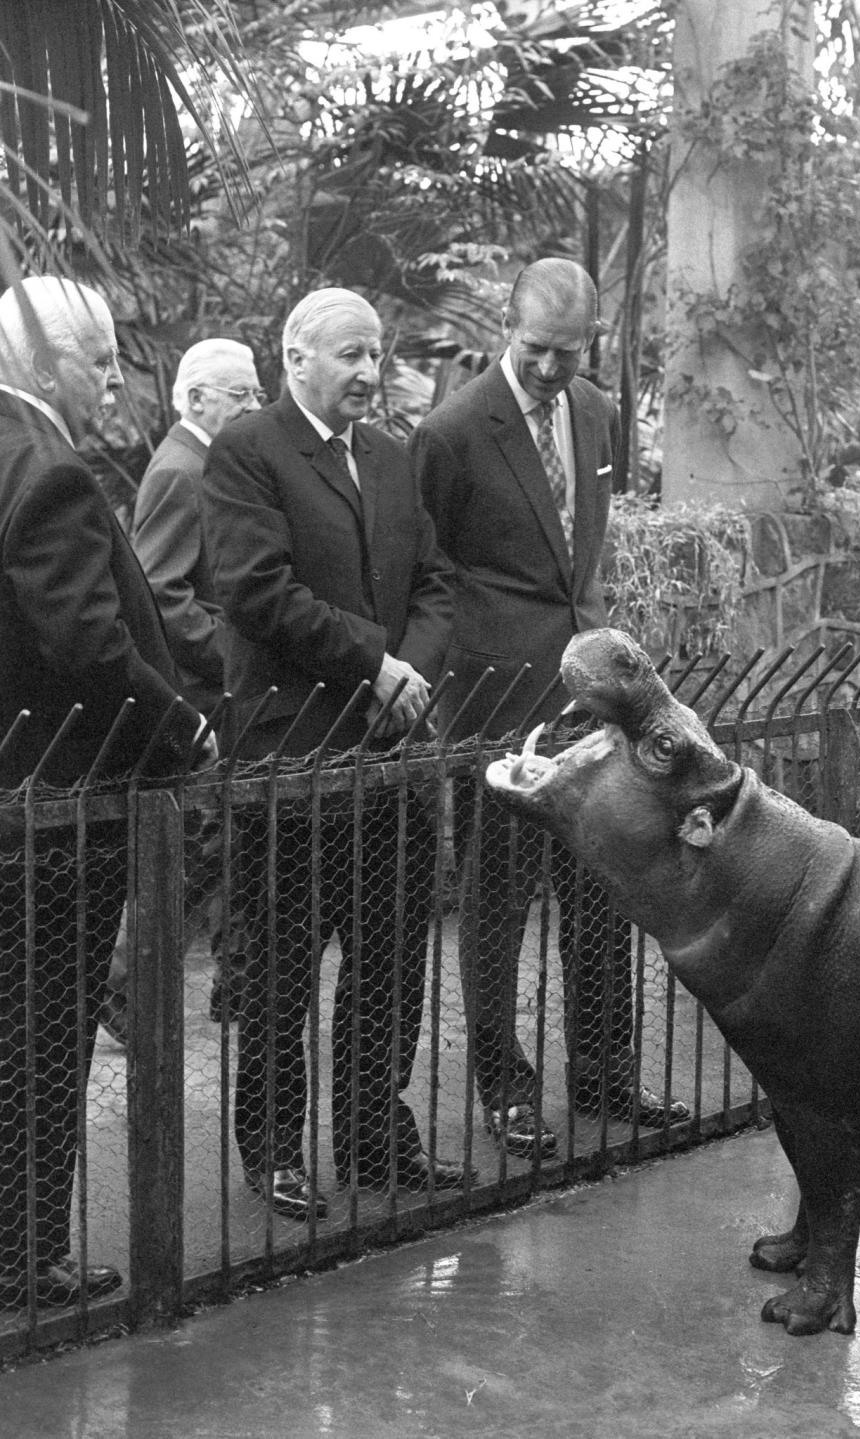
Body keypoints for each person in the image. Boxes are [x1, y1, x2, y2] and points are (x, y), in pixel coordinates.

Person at [410, 257, 689, 1158]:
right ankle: (507, 1089)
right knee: (496, 901)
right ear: (508, 328)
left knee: (606, 885)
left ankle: (606, 1073)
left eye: (566, 354)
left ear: (590, 342)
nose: (547, 370)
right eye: (535, 350)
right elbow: (430, 571)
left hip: (590, 698)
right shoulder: (453, 430)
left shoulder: (599, 411)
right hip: (494, 701)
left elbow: (583, 555)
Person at [201, 286, 471, 1220]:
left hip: (390, 753)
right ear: (297, 357)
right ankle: (273, 1148)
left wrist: (413, 676)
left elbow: (437, 583)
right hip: (293, 761)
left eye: (376, 354)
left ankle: (371, 1133)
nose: (367, 371)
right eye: (350, 354)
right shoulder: (248, 451)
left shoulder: (392, 461)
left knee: (390, 960)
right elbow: (253, 589)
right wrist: (377, 662)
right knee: (281, 972)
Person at [0, 275, 213, 1308]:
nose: (115, 380)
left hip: (18, 792)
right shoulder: (45, 468)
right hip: (54, 806)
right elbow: (88, 640)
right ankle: (20, 1257)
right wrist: (179, 724)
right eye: (99, 358)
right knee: (41, 1035)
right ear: (44, 362)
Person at [99, 338, 265, 1039]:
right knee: (200, 851)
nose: (257, 405)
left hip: (216, 690)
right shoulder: (178, 470)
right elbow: (162, 593)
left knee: (230, 841)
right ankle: (121, 990)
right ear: (197, 399)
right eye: (243, 394)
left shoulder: (208, 463)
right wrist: (237, 657)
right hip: (199, 692)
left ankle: (236, 982)